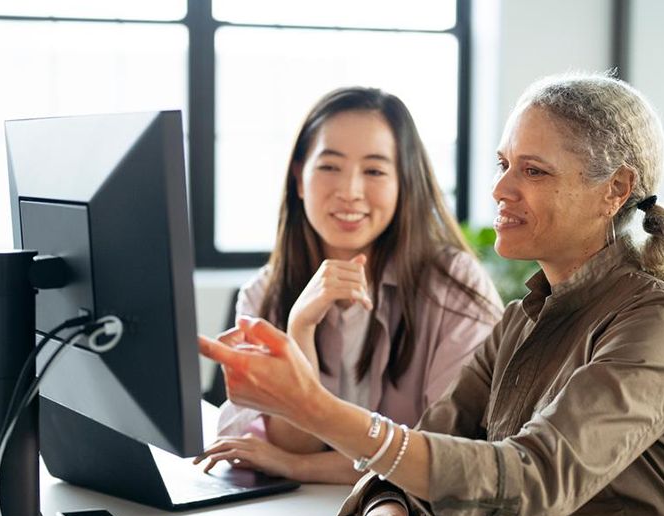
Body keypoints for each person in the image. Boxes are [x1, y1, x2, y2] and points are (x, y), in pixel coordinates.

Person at [198, 72, 664, 516]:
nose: (500, 189)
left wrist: (314, 409)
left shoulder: (659, 325)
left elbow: (530, 484)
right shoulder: (520, 322)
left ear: (614, 191)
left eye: (533, 170)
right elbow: (428, 452)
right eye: (504, 165)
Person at [194, 86, 503, 485]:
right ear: (300, 179)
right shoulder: (265, 290)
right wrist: (300, 328)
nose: (350, 191)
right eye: (329, 166)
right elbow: (292, 442)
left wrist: (298, 469)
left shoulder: (453, 286)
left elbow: (447, 457)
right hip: (300, 515)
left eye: (374, 170)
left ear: (403, 183)